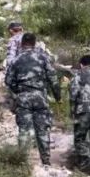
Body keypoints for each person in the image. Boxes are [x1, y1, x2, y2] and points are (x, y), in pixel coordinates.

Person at [5, 32, 61, 166]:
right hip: (40, 97)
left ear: (22, 43)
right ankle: (46, 161)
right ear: (35, 43)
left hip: (23, 98)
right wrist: (58, 97)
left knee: (24, 130)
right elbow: (53, 79)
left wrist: (18, 91)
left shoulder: (16, 60)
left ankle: (22, 161)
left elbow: (8, 81)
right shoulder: (43, 58)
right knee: (42, 129)